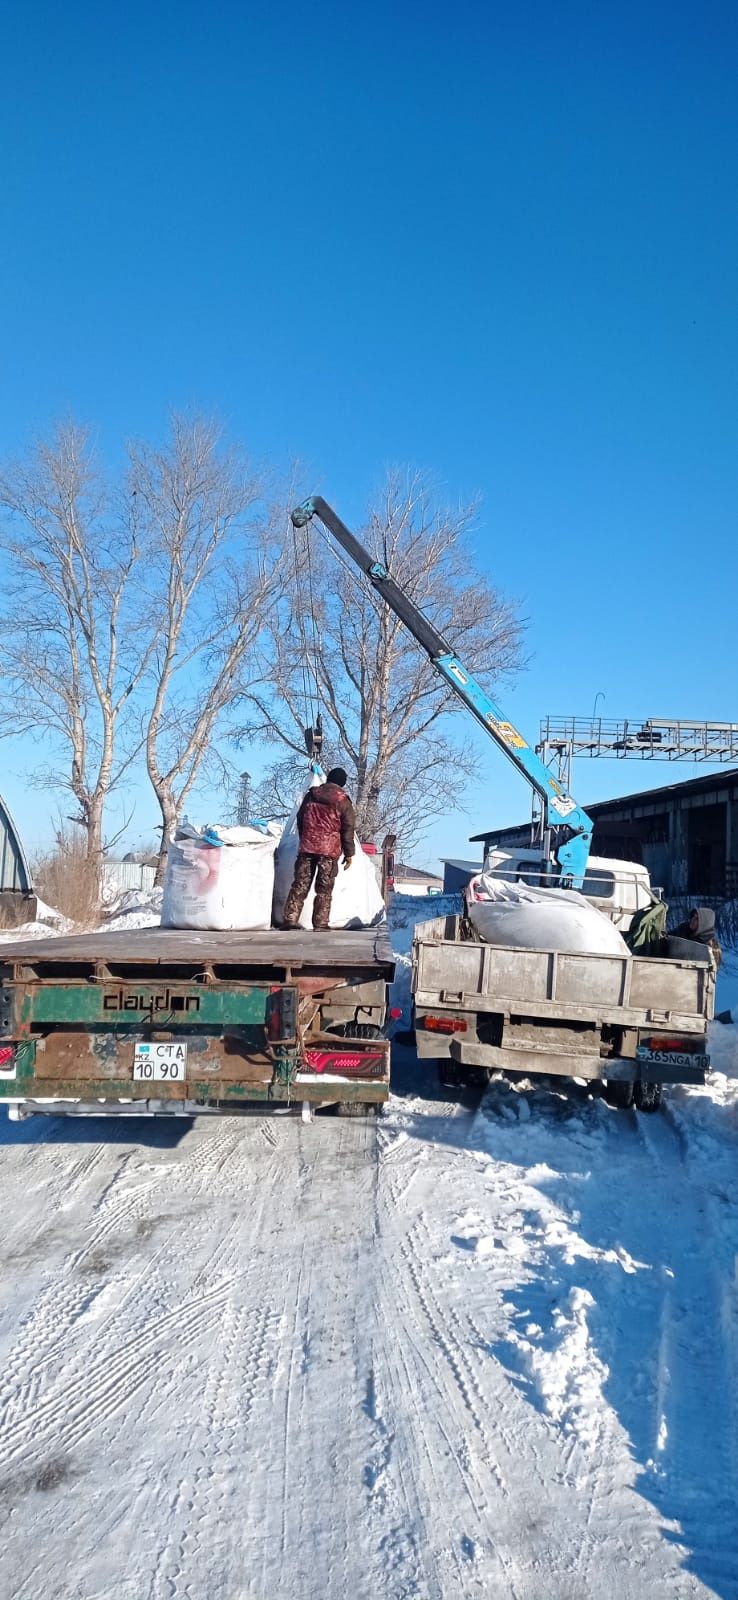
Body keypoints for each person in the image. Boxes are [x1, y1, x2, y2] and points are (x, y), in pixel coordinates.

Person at [282, 768, 356, 931]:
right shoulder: (343, 801)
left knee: (300, 884)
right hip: (328, 851)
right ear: (342, 783)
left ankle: (290, 920)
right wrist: (349, 853)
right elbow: (348, 829)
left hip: (307, 847)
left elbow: (300, 819)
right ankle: (320, 923)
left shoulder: (311, 795)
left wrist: (305, 837)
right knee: (324, 888)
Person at [670, 906, 722, 972]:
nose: (692, 920)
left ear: (704, 923)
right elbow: (666, 938)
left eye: (697, 919)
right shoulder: (682, 930)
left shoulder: (712, 945)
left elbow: (713, 970)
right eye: (693, 917)